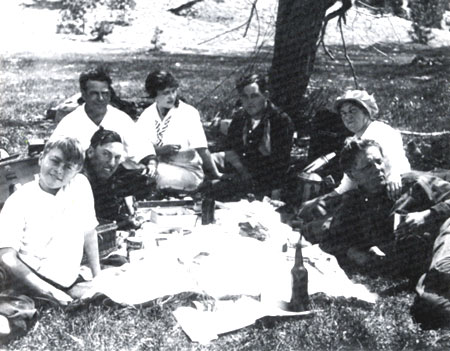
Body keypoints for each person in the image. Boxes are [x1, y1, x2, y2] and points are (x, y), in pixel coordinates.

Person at [308, 137, 450, 327]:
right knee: (429, 308)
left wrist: (427, 215)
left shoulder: (412, 184)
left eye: (379, 161)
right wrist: (354, 253)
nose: (378, 169)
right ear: (353, 174)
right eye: (368, 166)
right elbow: (330, 240)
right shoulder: (355, 205)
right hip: (425, 267)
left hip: (445, 249)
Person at [0, 137, 100, 305]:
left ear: (77, 171)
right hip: (29, 279)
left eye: (68, 167)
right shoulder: (20, 199)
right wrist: (49, 292)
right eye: (55, 161)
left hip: (68, 279)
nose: (59, 171)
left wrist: (98, 277)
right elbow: (7, 257)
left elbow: (89, 232)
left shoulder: (80, 185)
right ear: (41, 159)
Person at [298, 89, 410, 221]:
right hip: (368, 189)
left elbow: (394, 157)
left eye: (353, 111)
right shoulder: (357, 138)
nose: (347, 117)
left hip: (390, 191)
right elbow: (348, 182)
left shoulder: (381, 130)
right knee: (311, 209)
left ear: (366, 112)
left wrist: (394, 176)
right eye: (343, 113)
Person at [49, 66, 156, 170]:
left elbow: (143, 150)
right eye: (94, 94)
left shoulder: (121, 119)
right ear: (84, 95)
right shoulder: (70, 122)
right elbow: (53, 154)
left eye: (104, 94)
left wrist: (151, 163)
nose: (100, 98)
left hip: (117, 180)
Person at [135, 70, 222, 192]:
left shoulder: (188, 113)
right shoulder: (148, 114)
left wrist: (216, 174)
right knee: (135, 169)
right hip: (156, 166)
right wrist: (159, 151)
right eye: (166, 93)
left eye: (173, 91)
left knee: (149, 175)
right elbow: (137, 148)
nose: (171, 96)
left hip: (187, 171)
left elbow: (202, 149)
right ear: (154, 95)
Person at [211, 73, 294, 200]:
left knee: (215, 188)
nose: (249, 102)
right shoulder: (240, 118)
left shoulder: (280, 121)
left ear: (265, 95)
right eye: (245, 97)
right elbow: (230, 148)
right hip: (240, 171)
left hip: (266, 179)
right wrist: (241, 171)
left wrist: (275, 195)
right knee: (203, 163)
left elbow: (281, 162)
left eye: (254, 96)